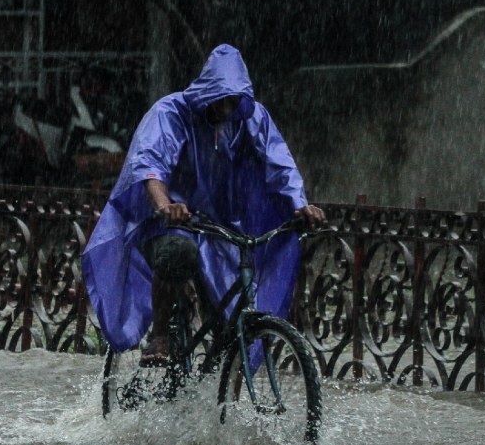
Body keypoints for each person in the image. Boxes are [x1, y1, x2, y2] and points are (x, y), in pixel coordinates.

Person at [81, 44, 324, 365]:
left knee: (234, 313)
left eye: (233, 101)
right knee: (178, 253)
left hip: (218, 227)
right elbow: (150, 164)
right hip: (166, 222)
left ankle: (221, 395)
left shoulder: (249, 118)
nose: (226, 109)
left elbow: (280, 164)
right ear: (207, 93)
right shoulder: (170, 114)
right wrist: (165, 204)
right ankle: (160, 335)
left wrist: (300, 204)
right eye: (220, 100)